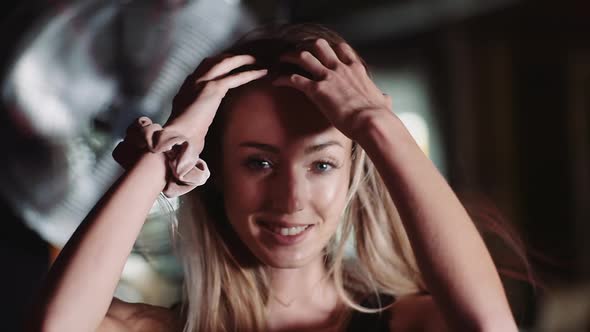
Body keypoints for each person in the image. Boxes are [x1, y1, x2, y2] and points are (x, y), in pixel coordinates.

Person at [27, 23, 520, 332]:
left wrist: (377, 125)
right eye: (258, 163)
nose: (290, 200)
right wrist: (160, 158)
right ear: (215, 171)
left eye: (322, 164)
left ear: (353, 176)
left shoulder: (413, 324)